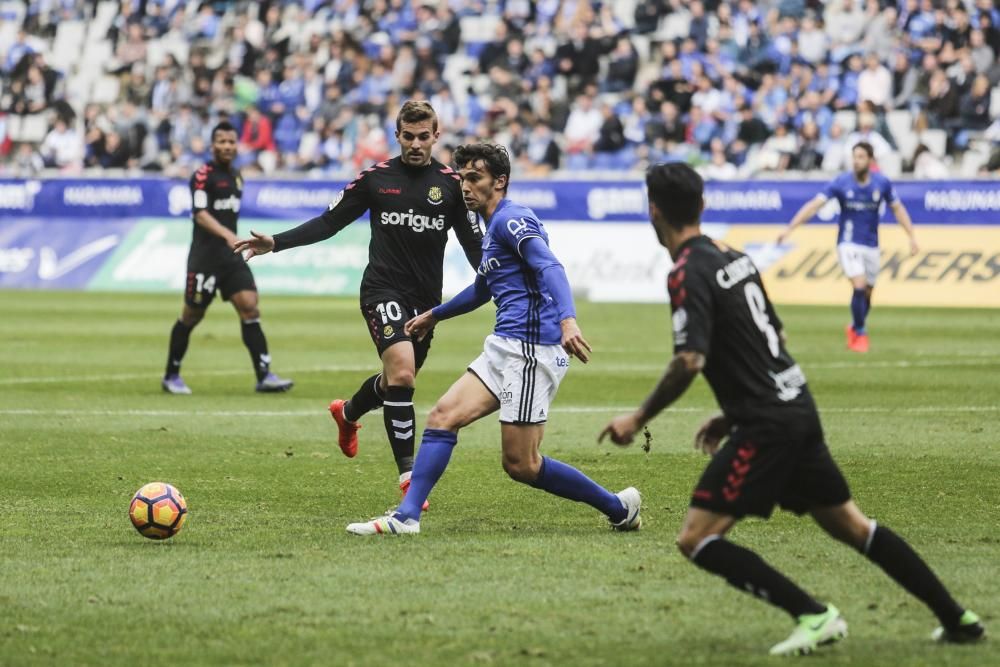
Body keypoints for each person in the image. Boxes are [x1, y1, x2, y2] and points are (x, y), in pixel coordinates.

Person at [600, 162, 984, 656]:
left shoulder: (685, 272)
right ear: (703, 205)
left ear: (653, 210)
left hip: (767, 423)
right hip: (795, 405)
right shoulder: (734, 255)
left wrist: (638, 417)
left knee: (696, 538)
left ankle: (814, 614)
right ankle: (959, 619)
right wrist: (733, 410)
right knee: (853, 526)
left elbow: (690, 358)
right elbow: (774, 337)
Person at [344, 143, 641, 536]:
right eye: (462, 177)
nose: (464, 186)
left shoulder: (512, 220)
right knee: (442, 417)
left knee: (522, 465)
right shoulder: (491, 226)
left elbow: (550, 265)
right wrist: (435, 315)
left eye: (474, 178)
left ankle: (618, 507)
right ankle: (406, 517)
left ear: (499, 181)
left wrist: (569, 320)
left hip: (532, 350)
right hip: (504, 345)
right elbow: (483, 289)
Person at [233, 101, 483, 504]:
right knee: (403, 375)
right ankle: (409, 480)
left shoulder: (452, 186)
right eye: (408, 136)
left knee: (392, 382)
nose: (416, 144)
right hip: (381, 291)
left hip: (425, 303)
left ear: (436, 136)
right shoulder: (376, 179)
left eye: (424, 137)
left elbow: (475, 247)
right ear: (396, 135)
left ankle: (347, 412)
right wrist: (276, 242)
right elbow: (329, 222)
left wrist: (503, 281)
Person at [162, 121, 293, 395]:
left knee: (250, 307)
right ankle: (171, 375)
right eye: (221, 142)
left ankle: (264, 375)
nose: (227, 147)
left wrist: (230, 240)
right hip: (205, 259)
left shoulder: (236, 176)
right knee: (191, 316)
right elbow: (200, 213)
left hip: (231, 257)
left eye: (231, 142)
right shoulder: (201, 175)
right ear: (212, 146)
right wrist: (226, 235)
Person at [776, 142, 918, 352]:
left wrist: (912, 236)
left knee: (868, 293)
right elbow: (814, 206)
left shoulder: (882, 183)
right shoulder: (842, 183)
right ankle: (860, 333)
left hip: (871, 245)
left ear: (870, 160)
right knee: (859, 285)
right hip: (848, 243)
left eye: (861, 157)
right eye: (854, 157)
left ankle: (854, 325)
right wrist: (789, 229)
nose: (856, 161)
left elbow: (898, 209)